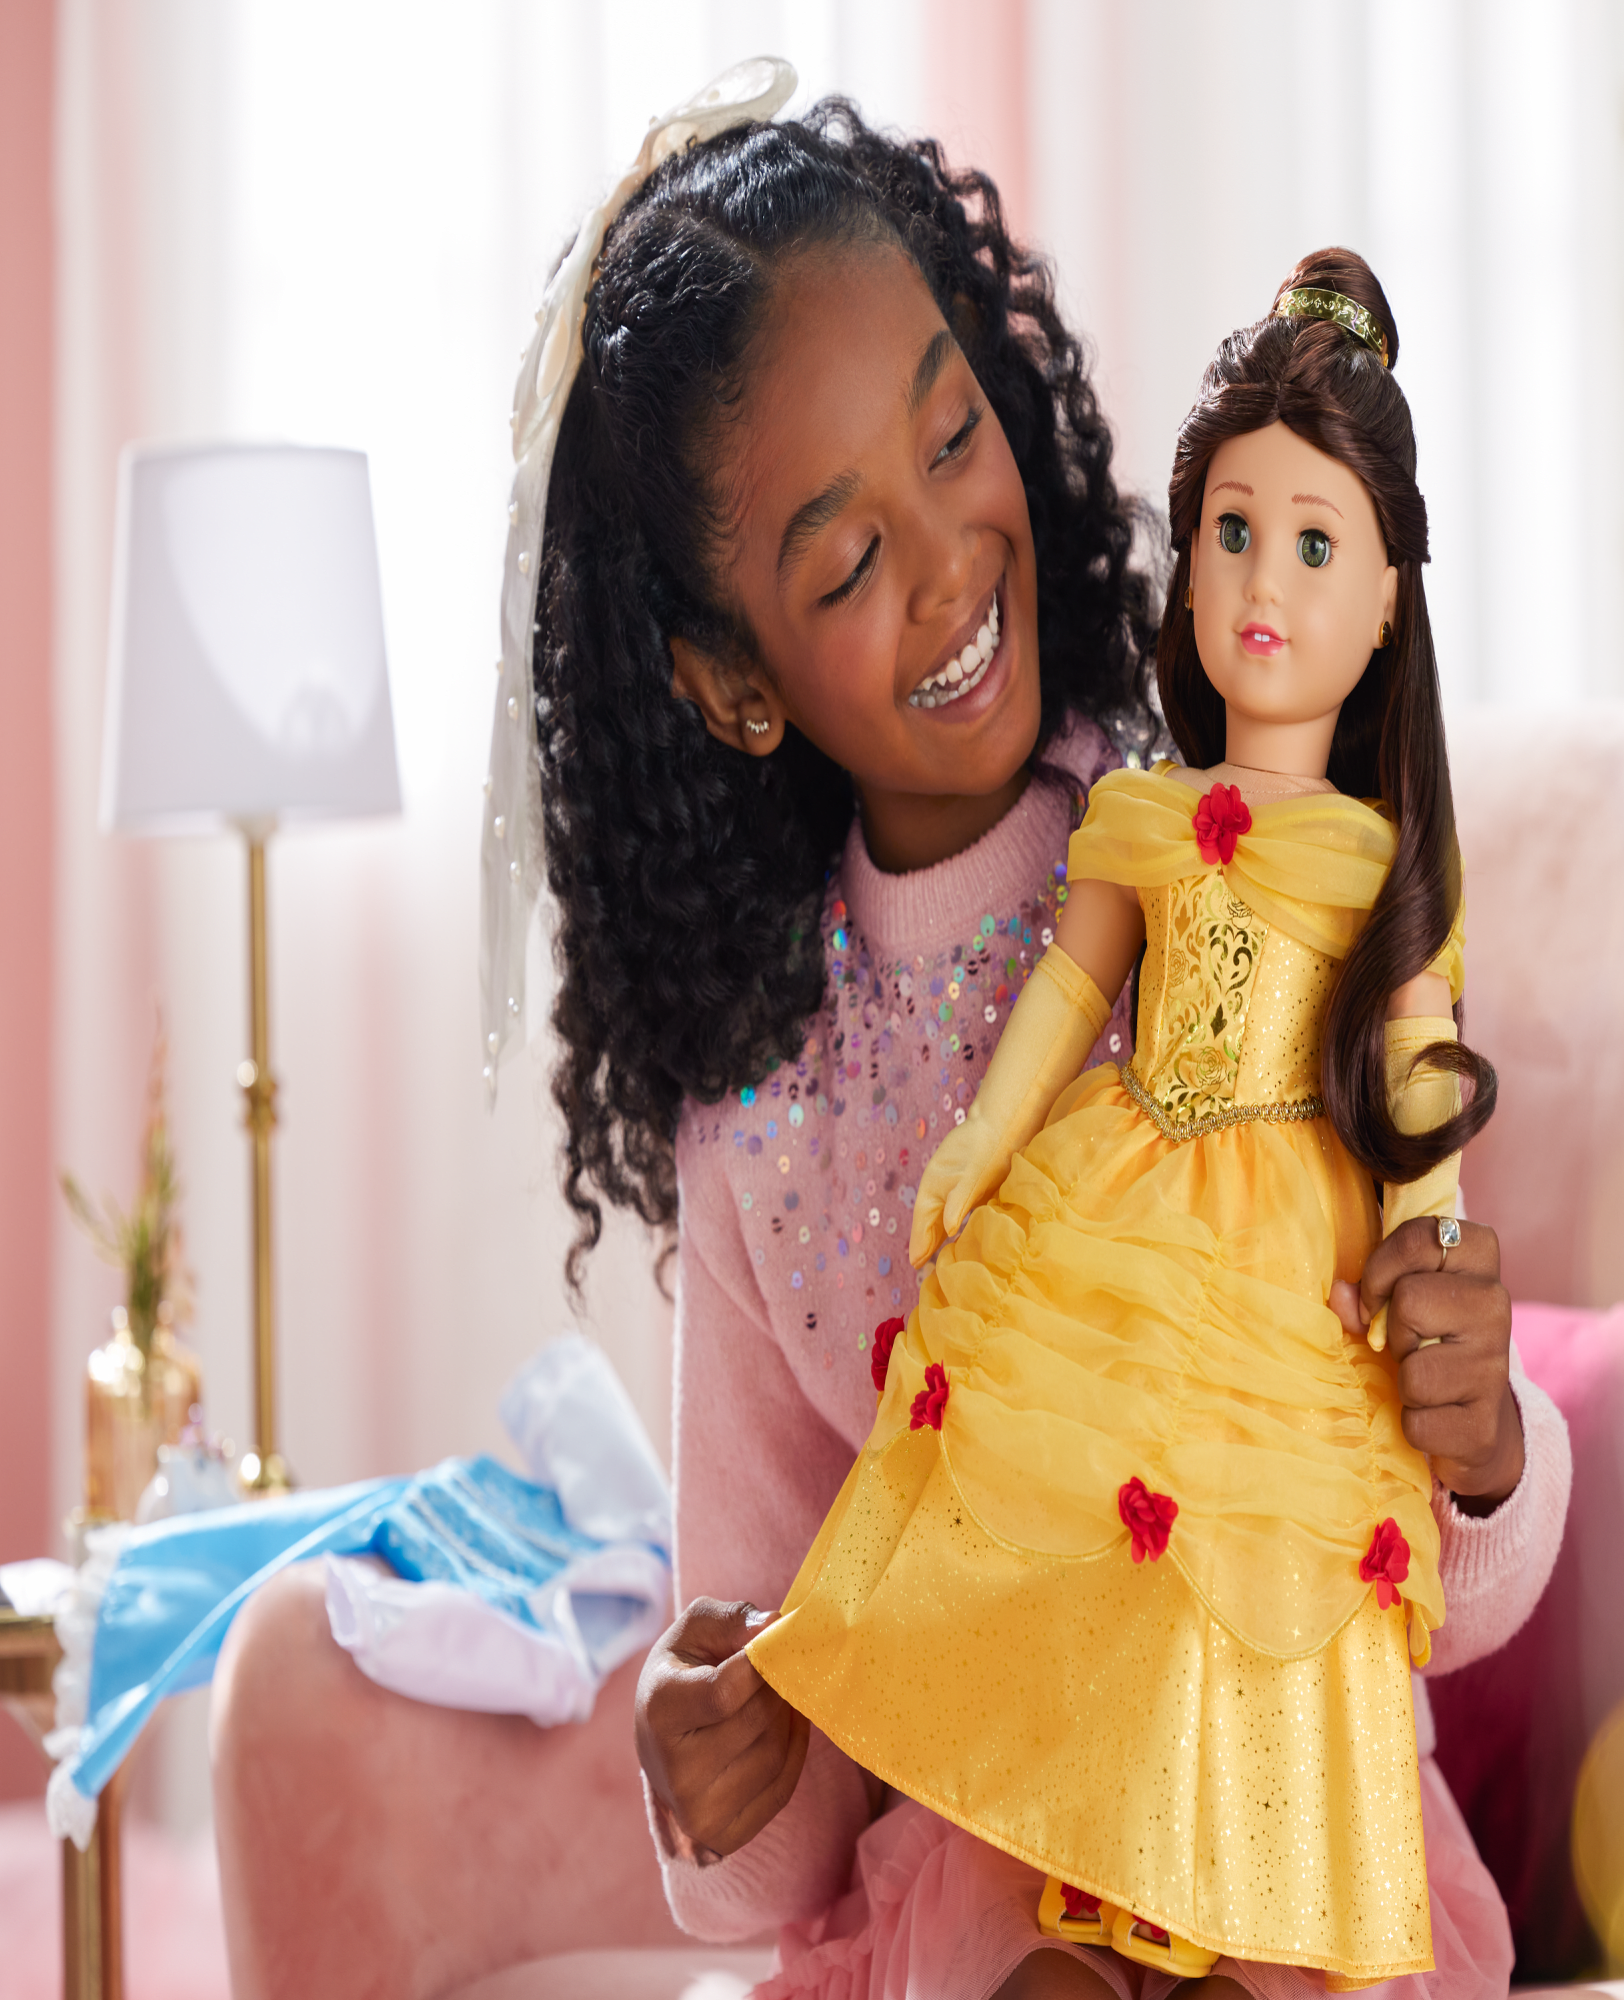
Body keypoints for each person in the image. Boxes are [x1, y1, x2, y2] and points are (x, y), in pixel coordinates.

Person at [527, 87, 1569, 2000]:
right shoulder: (759, 1116)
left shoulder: (1229, 850)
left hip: (1297, 1841)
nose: (946, 563)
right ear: (734, 680)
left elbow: (1449, 1579)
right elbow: (801, 1745)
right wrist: (717, 1764)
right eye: (845, 563)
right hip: (991, 1896)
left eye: (953, 438)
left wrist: (1485, 1445)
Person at [744, 247, 1500, 1985]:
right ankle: (1100, 1885)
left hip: (1285, 1264)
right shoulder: (1145, 817)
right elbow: (1072, 994)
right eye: (1232, 530)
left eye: (1315, 545)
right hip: (1121, 1186)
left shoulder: (1379, 867)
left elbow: (1418, 1077)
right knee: (1092, 1525)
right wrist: (981, 1141)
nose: (1262, 582)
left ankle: (1227, 1885)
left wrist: (1427, 1246)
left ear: (1391, 603)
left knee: (1246, 1560)